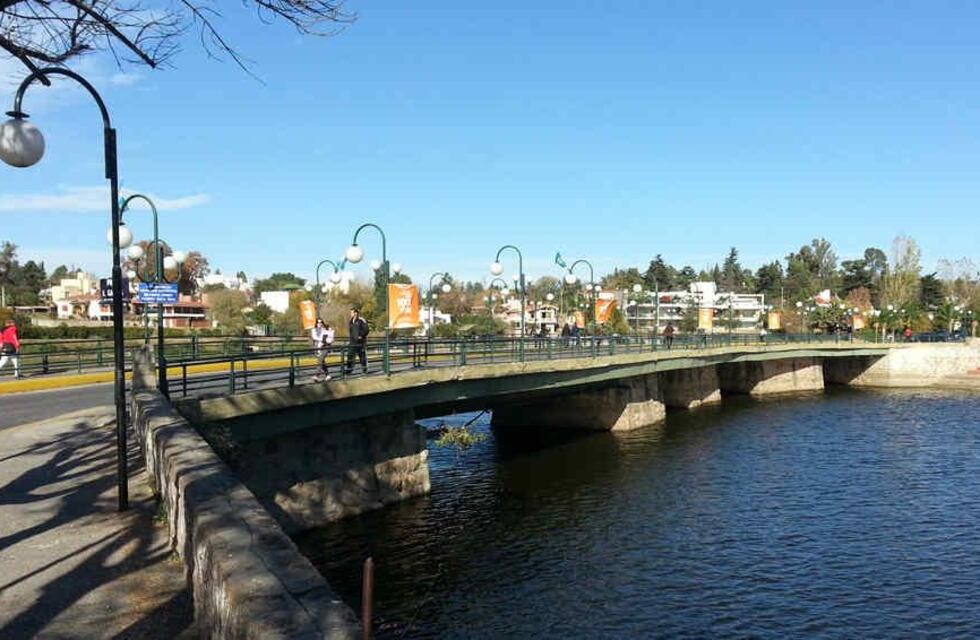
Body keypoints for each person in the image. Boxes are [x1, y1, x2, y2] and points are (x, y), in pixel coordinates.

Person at [345, 307, 369, 374]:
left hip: (360, 342)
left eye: (352, 312)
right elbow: (351, 332)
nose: (351, 314)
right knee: (350, 355)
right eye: (351, 312)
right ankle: (349, 369)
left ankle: (364, 369)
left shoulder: (361, 320)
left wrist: (361, 336)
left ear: (356, 313)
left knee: (362, 356)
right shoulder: (350, 321)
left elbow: (366, 330)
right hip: (352, 342)